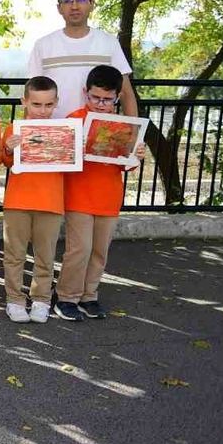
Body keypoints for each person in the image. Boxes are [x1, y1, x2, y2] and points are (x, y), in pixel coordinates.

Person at [55, 65, 146, 321]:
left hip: (109, 196)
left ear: (117, 97)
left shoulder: (125, 126)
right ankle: (66, 297)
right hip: (79, 195)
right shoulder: (73, 119)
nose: (101, 104)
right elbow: (60, 157)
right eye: (95, 98)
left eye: (107, 99)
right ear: (86, 93)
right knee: (79, 249)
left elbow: (129, 166)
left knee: (99, 250)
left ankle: (89, 295)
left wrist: (136, 154)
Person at [0, 76, 63, 324]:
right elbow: (5, 162)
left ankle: (41, 299)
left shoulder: (63, 132)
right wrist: (9, 148)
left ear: (56, 103)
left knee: (45, 255)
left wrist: (74, 148)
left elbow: (73, 166)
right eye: (36, 104)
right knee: (14, 254)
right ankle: (14, 299)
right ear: (24, 101)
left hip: (51, 202)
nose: (42, 111)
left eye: (48, 105)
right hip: (18, 201)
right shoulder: (13, 129)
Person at [27, 0, 138, 119]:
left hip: (97, 133)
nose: (74, 6)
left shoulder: (109, 43)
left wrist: (134, 134)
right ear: (59, 8)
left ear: (91, 4)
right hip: (54, 132)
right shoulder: (43, 45)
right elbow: (32, 93)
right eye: (67, 0)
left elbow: (126, 93)